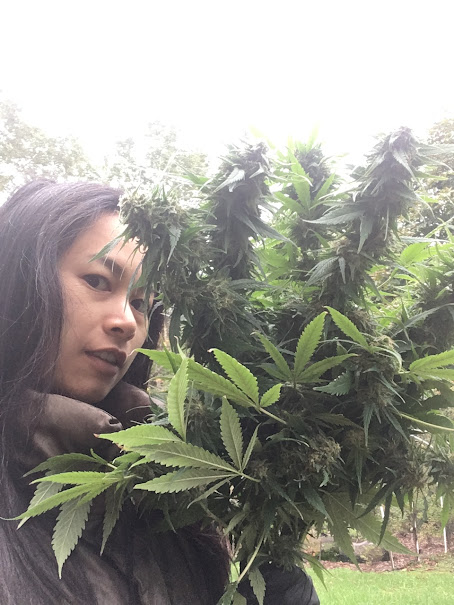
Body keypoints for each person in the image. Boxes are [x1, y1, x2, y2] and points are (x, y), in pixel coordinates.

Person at [0, 180, 320, 605]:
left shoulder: (171, 487)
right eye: (97, 280)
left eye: (141, 304)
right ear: (19, 278)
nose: (126, 322)